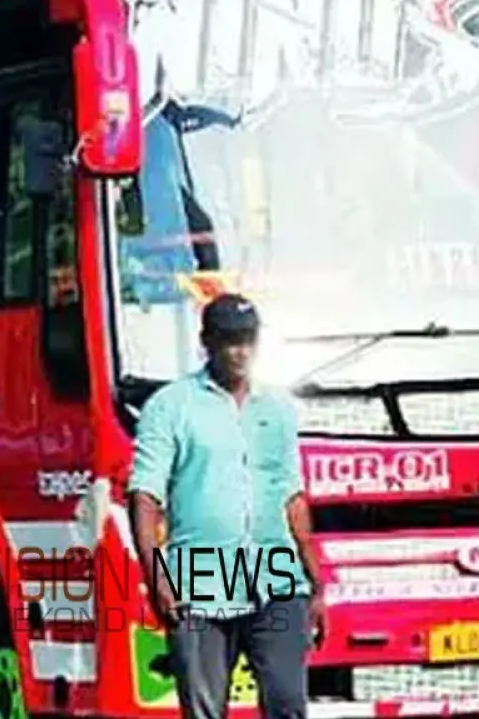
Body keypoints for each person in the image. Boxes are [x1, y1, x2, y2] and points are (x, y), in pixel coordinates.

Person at [128, 293, 325, 719]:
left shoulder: (278, 408)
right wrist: (156, 577)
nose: (240, 352)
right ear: (207, 342)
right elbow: (144, 496)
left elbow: (292, 495)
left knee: (288, 702)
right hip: (199, 577)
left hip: (275, 572)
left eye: (248, 340)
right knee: (204, 710)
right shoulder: (170, 406)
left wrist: (316, 580)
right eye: (230, 340)